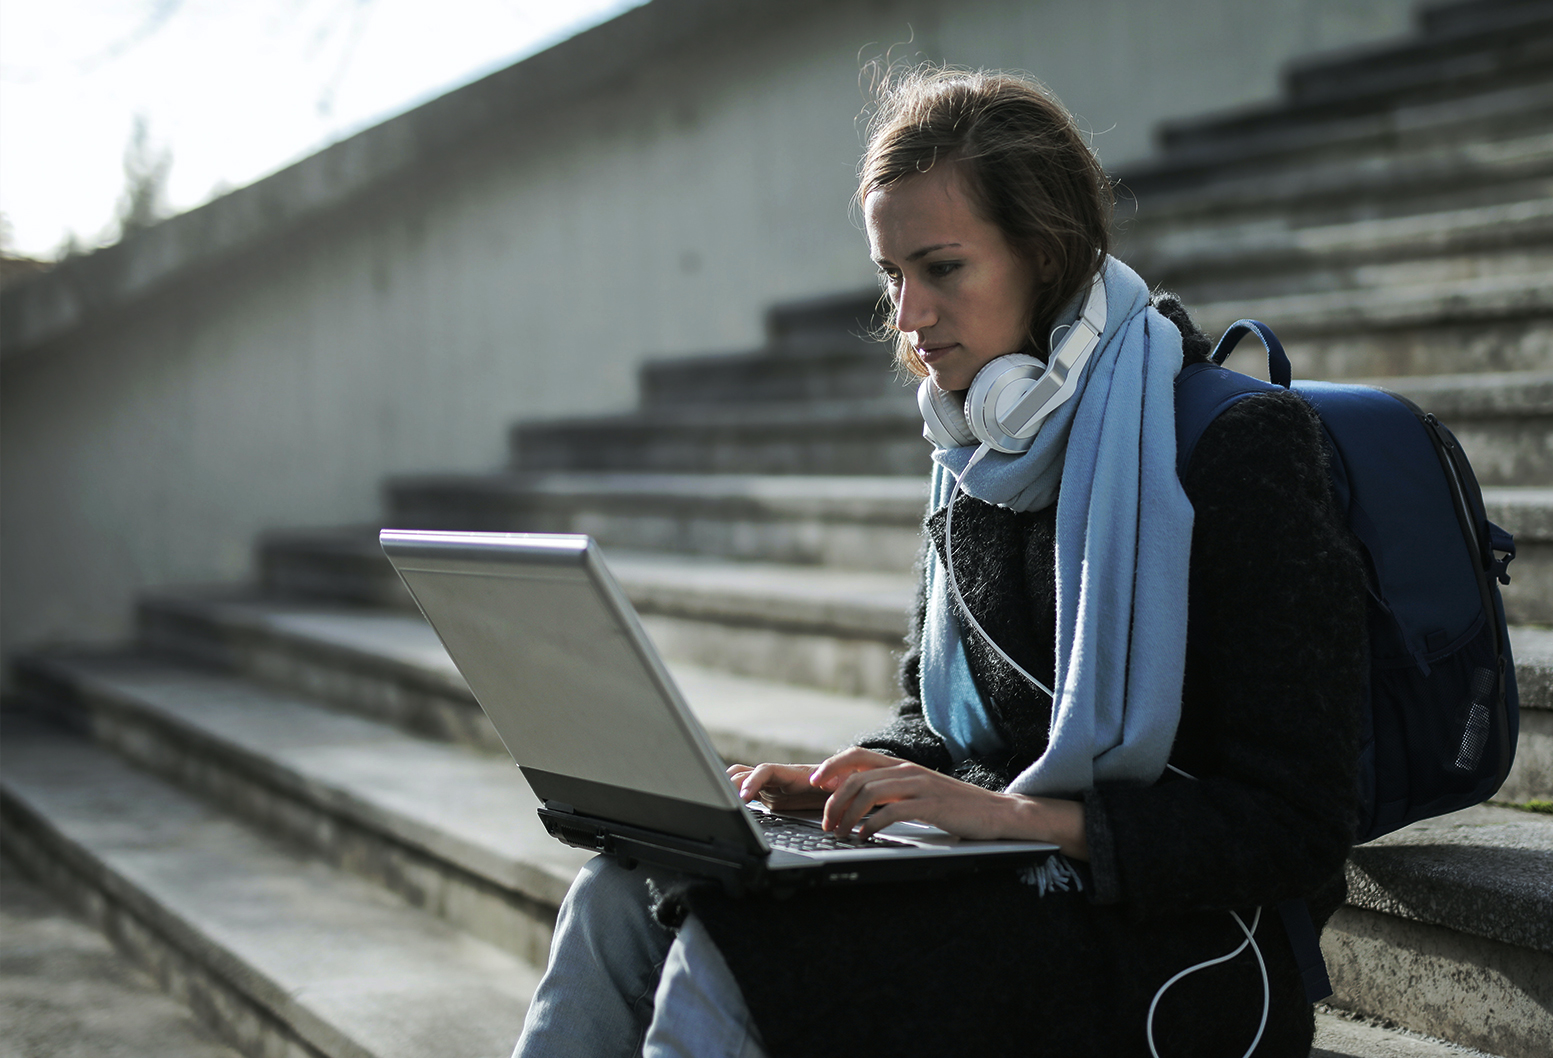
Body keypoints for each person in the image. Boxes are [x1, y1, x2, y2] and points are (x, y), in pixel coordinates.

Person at [513, 67, 1369, 1058]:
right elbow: (940, 723)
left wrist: (1010, 814)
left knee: (741, 952)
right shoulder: (975, 454)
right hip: (999, 870)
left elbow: (1297, 821)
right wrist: (849, 780)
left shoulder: (1237, 447)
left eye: (943, 267)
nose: (910, 317)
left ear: (1045, 256)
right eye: (891, 274)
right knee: (621, 890)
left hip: (1186, 945)